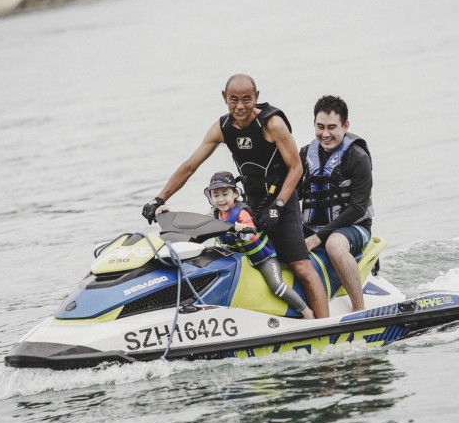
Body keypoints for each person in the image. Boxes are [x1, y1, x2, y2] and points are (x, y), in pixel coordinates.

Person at [142, 73, 329, 318]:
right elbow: (190, 166)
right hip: (248, 204)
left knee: (300, 265)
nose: (240, 106)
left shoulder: (272, 124)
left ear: (257, 97)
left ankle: (325, 323)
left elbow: (296, 167)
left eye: (246, 99)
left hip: (282, 200)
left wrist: (279, 206)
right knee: (237, 259)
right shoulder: (222, 127)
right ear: (224, 98)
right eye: (233, 100)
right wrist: (160, 199)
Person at [156, 171, 315, 319]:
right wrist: (167, 213)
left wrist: (242, 227)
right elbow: (194, 224)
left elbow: (250, 229)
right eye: (216, 195)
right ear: (210, 197)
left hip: (262, 259)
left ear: (235, 194)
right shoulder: (214, 213)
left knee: (277, 286)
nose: (221, 199)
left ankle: (306, 311)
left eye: (225, 194)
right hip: (239, 260)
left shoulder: (241, 213)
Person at [298, 95, 374, 312]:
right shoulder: (305, 154)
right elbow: (293, 195)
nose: (325, 134)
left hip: (354, 227)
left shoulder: (357, 157)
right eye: (320, 126)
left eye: (332, 127)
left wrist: (319, 236)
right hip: (312, 228)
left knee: (334, 244)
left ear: (345, 125)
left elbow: (359, 207)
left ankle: (359, 309)